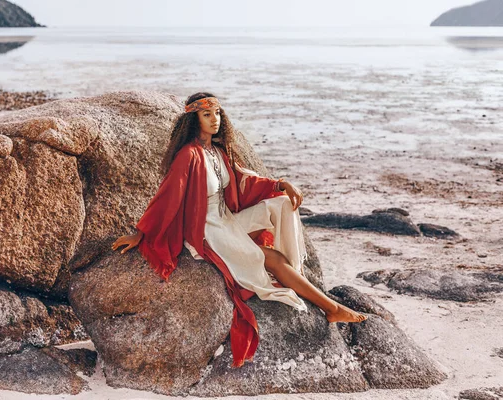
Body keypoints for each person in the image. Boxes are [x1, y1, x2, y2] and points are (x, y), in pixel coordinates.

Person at [112, 92, 366, 367]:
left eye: (217, 114)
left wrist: (280, 184)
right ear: (193, 120)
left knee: (280, 204)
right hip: (208, 229)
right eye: (206, 115)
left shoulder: (218, 152)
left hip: (227, 219)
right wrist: (141, 232)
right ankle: (331, 308)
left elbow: (246, 180)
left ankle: (298, 275)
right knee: (272, 259)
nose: (214, 120)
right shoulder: (188, 155)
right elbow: (168, 195)